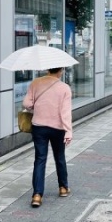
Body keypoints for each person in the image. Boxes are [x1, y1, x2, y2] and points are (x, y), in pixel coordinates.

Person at [22, 67, 72, 207]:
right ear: (60, 70)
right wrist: (68, 131)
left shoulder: (36, 83)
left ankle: (37, 195)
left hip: (39, 127)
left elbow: (27, 104)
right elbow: (65, 112)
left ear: (48, 69)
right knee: (59, 157)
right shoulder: (64, 88)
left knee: (40, 159)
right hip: (58, 128)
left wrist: (36, 107)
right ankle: (63, 188)